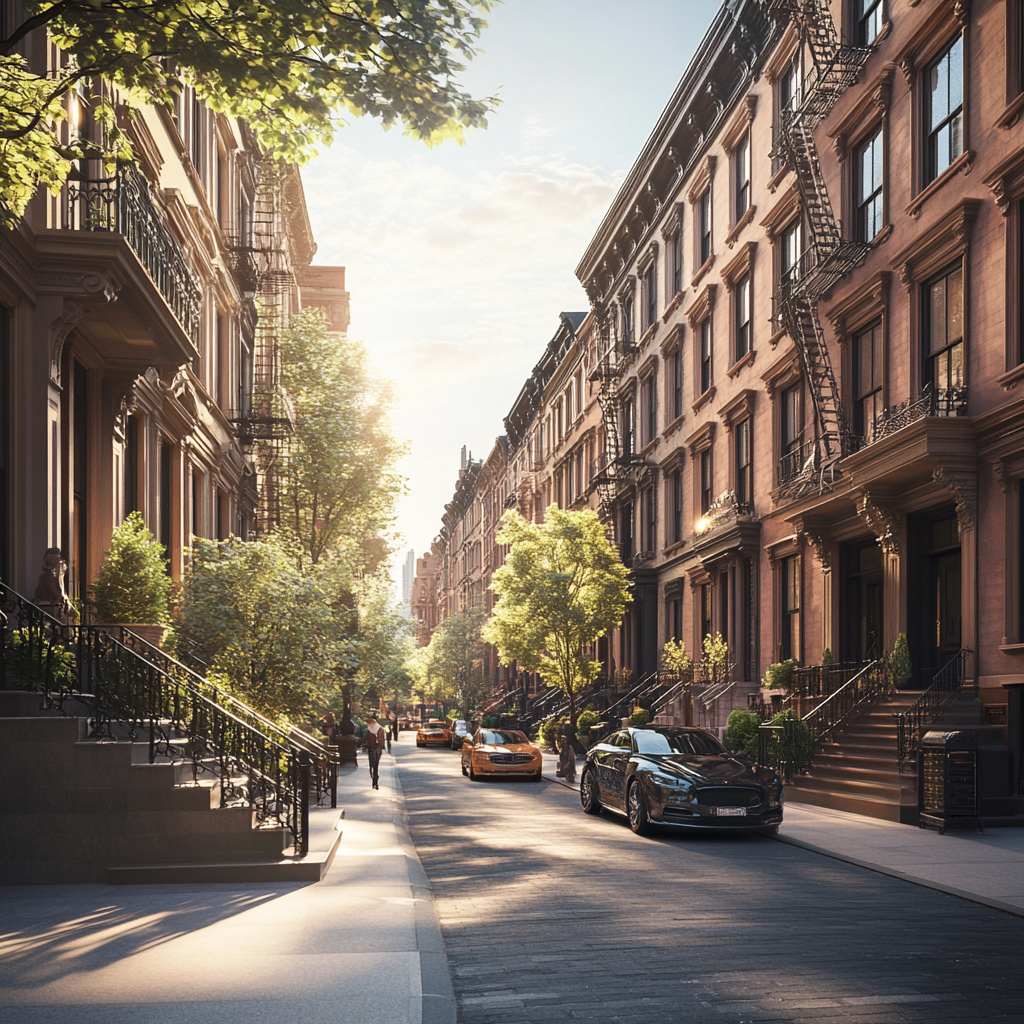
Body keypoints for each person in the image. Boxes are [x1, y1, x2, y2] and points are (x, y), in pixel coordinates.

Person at [365, 715, 387, 790]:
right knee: (373, 765)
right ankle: (374, 779)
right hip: (374, 749)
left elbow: (382, 739)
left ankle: (375, 779)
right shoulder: (371, 729)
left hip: (375, 749)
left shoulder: (379, 729)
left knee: (374, 765)